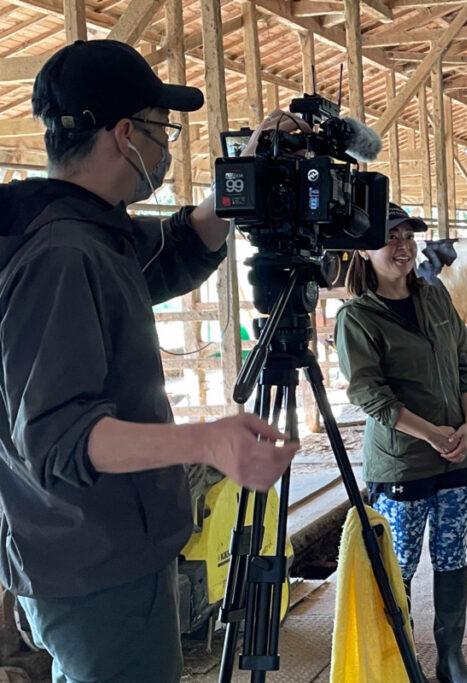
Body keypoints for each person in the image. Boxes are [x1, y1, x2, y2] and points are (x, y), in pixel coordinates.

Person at [0, 40, 301, 682]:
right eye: (162, 129)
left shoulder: (87, 226)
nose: (166, 147)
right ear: (124, 133)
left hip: (96, 551)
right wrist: (207, 440)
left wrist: (242, 179)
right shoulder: (61, 255)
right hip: (92, 564)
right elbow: (57, 437)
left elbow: (172, 251)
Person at [335, 204, 467, 683]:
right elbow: (369, 394)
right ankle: (399, 657)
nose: (402, 247)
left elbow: (465, 359)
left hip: (458, 454)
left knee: (452, 552)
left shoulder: (435, 296)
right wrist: (431, 434)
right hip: (404, 463)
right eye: (389, 238)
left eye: (407, 236)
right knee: (399, 563)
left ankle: (450, 659)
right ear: (364, 249)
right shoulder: (357, 317)